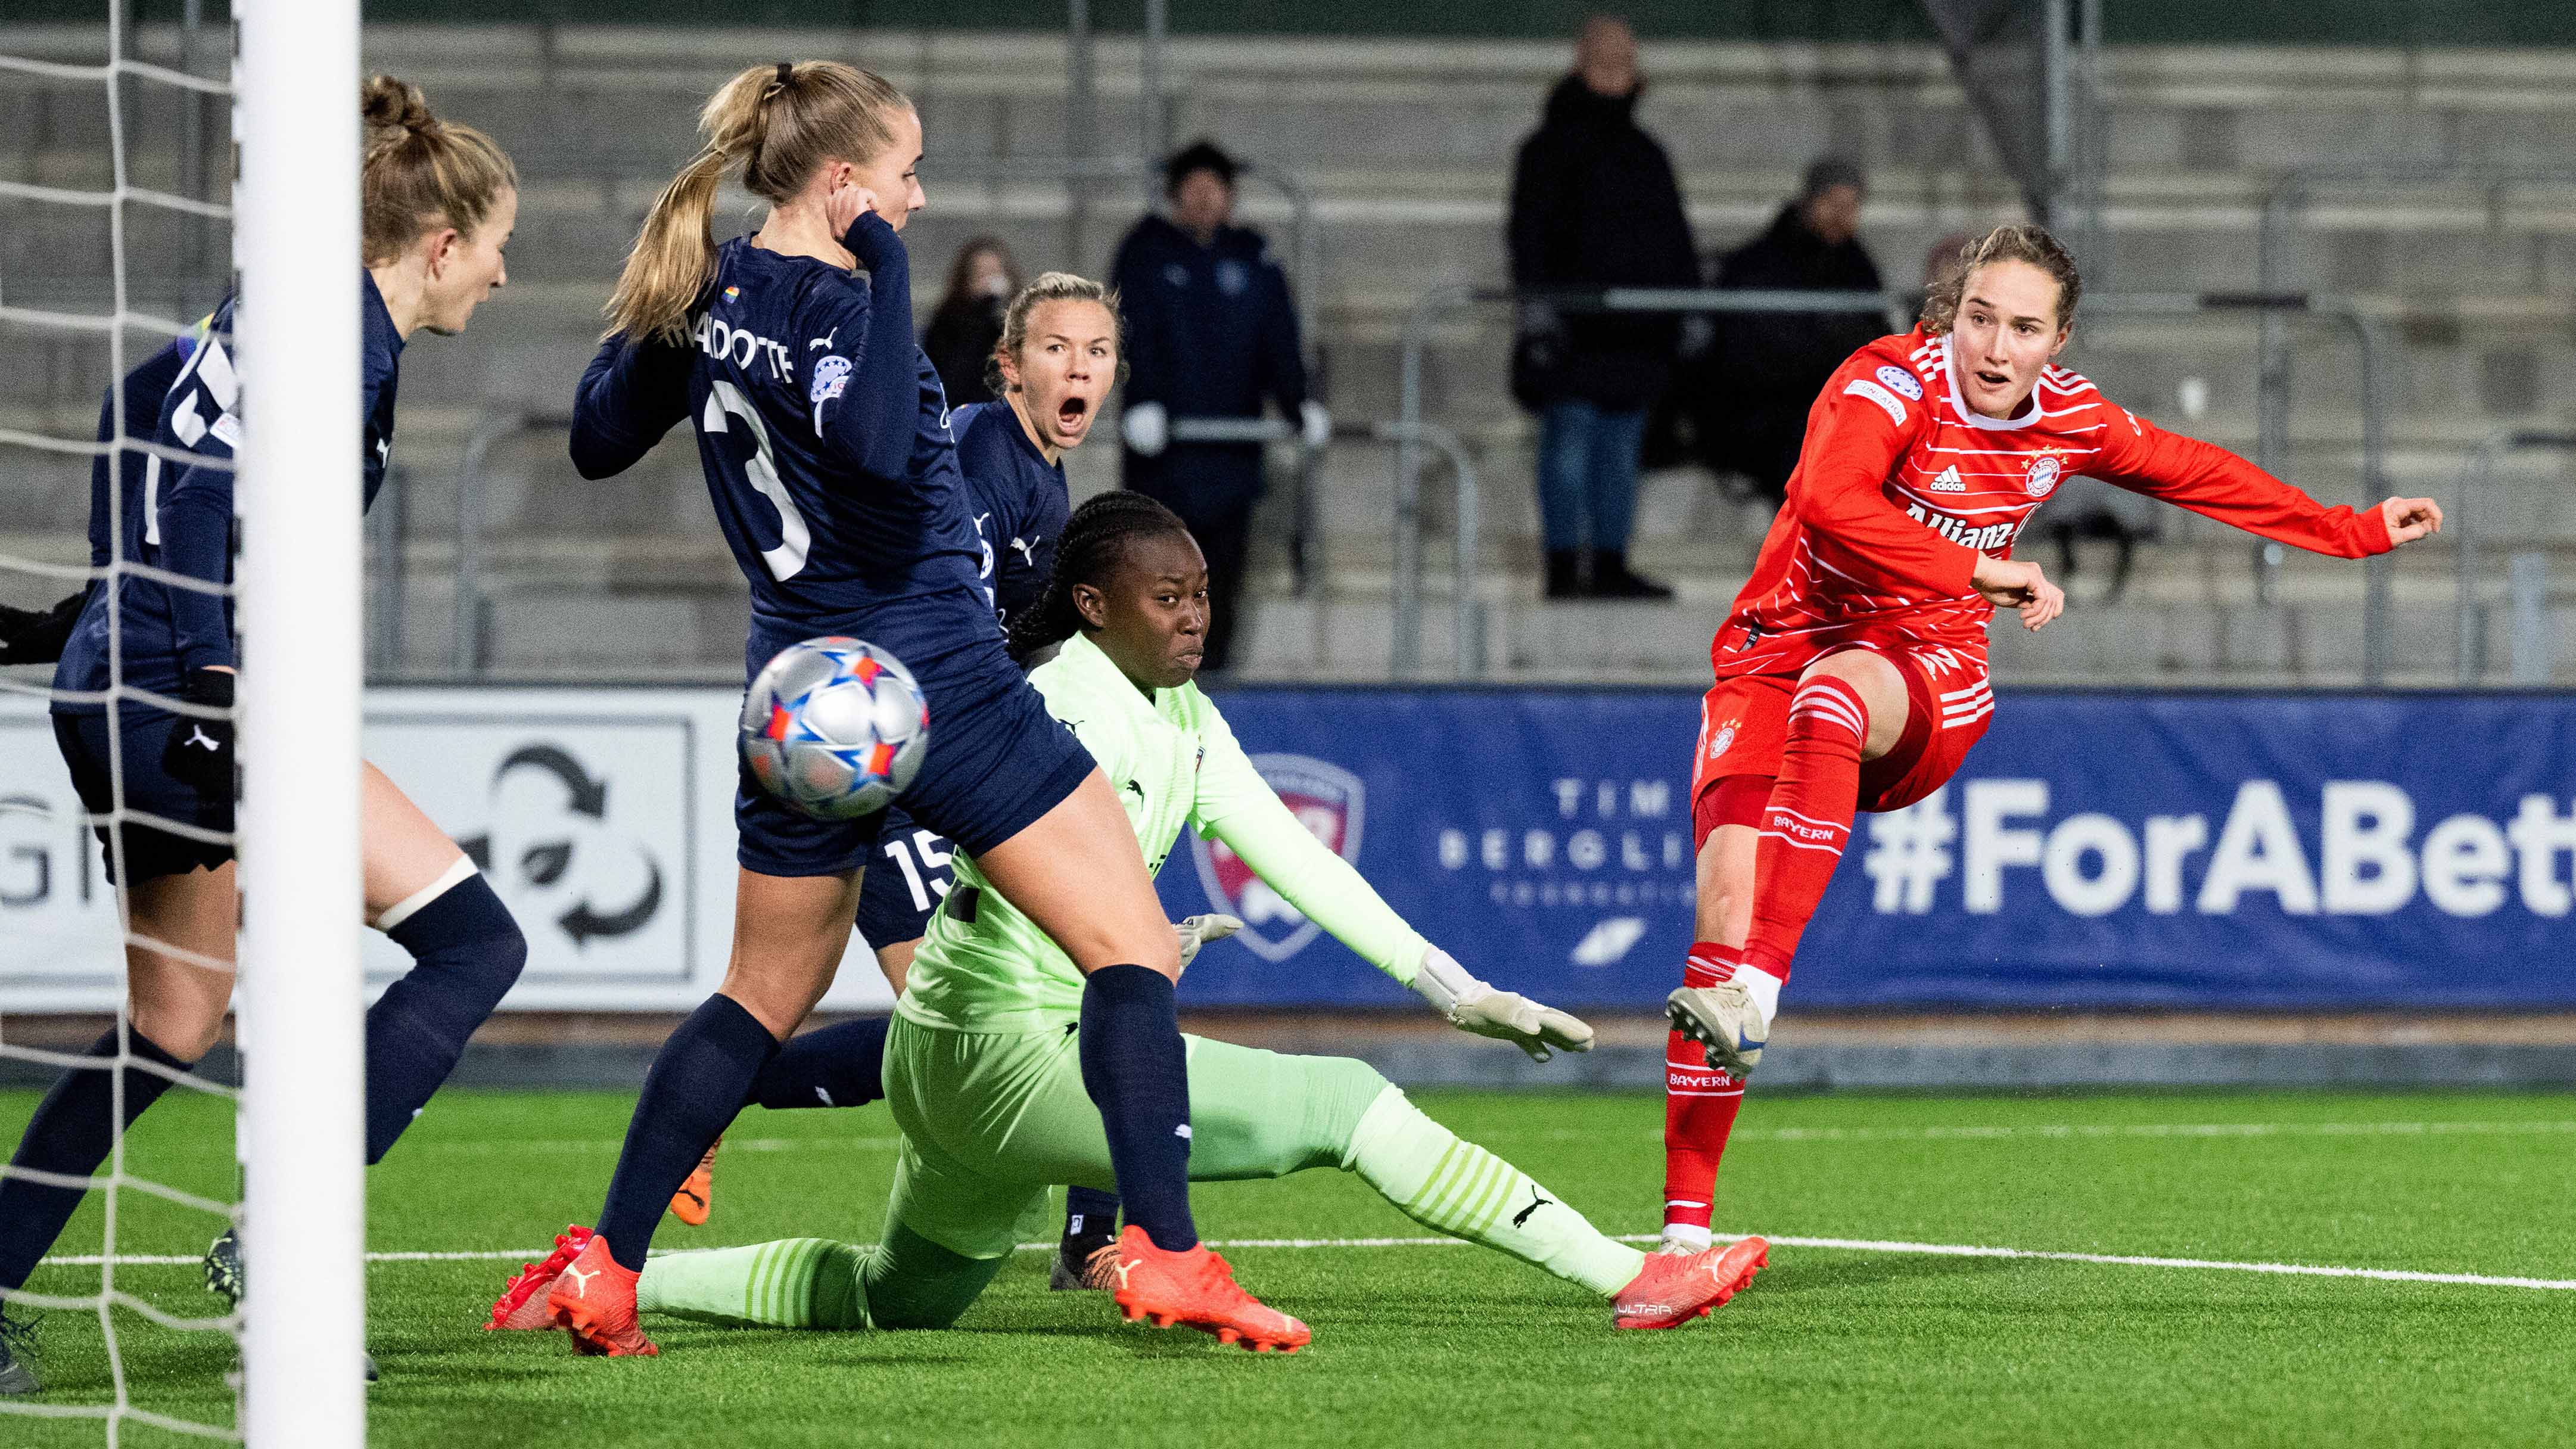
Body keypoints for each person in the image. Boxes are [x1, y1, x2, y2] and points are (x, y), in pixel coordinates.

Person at [486, 493, 1756, 1348]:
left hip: (949, 1058)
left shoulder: (1181, 718)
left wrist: (1453, 985)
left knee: (901, 1300)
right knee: (1347, 1104)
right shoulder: (1066, 712)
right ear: (1094, 604)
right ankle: (1627, 1273)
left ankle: (617, 1268)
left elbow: (1290, 857)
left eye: (1200, 590)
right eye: (1166, 595)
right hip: (1008, 1051)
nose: (1193, 611)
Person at [550, 61, 1293, 1357]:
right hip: (934, 678)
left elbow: (595, 441)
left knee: (755, 990)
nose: (918, 191)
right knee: (1128, 948)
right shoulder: (850, 299)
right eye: (903, 172)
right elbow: (885, 446)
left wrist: (666, 320)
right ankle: (1164, 1255)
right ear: (845, 188)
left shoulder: (710, 284)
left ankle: (607, 1262)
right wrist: (887, 273)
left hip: (799, 696)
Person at [1654, 224, 2444, 1256]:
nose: (1993, 344)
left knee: (1834, 700)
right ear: (1951, 313)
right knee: (1719, 904)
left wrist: (2342, 528)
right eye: (1978, 316)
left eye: (2021, 327)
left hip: (1921, 673)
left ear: (2055, 341)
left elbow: (2191, 469)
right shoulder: (1884, 384)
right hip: (1770, 653)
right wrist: (1972, 566)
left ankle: (1757, 991)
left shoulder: (2066, 416)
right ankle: (1679, 1242)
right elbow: (1827, 501)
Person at [0, 76, 524, 1395]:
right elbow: (194, 481)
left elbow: (138, 411)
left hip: (122, 683)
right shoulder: (338, 335)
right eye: (498, 245)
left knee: (173, 1023)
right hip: (200, 697)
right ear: (439, 243)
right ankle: (287, 1256)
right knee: (470, 942)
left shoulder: (281, 313)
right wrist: (213, 676)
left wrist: (89, 609)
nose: (505, 277)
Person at [659, 271, 1127, 1240]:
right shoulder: (976, 454)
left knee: (1036, 1002)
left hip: (941, 763)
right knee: (973, 1026)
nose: (1077, 367)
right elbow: (933, 610)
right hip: (894, 763)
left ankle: (1094, 1233)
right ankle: (706, 1103)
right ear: (1009, 365)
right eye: (1055, 347)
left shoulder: (1042, 477)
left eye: (1097, 351)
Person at [1111, 139, 1325, 674]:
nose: (1205, 200)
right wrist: (1140, 399)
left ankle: (1215, 689)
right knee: (1157, 581)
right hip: (1163, 460)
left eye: (1216, 190)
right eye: (1194, 189)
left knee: (1219, 581)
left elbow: (1278, 336)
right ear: (1175, 196)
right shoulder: (1144, 252)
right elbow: (1129, 330)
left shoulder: (1254, 257)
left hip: (1232, 457)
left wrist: (1299, 403)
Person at [1505, 14, 1695, 601]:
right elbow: (1527, 233)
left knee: (1619, 450)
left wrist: (1687, 309)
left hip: (1636, 334)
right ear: (1578, 67)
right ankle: (1564, 566)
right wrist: (1538, 311)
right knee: (1569, 441)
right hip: (1572, 331)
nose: (1614, 77)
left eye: (1624, 66)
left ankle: (1610, 562)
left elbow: (1674, 238)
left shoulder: (1648, 153)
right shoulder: (1545, 147)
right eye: (1603, 64)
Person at [1704, 157, 1888, 505]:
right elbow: (1752, 352)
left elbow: (1873, 338)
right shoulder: (1761, 263)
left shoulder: (1857, 266)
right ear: (1809, 202)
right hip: (1768, 410)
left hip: (1834, 407)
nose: (1840, 214)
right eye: (1832, 203)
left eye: (1851, 206)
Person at [920, 236, 1019, 407]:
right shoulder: (946, 324)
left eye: (995, 274)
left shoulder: (1021, 322)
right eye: (981, 275)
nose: (989, 283)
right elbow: (951, 378)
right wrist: (982, 313)